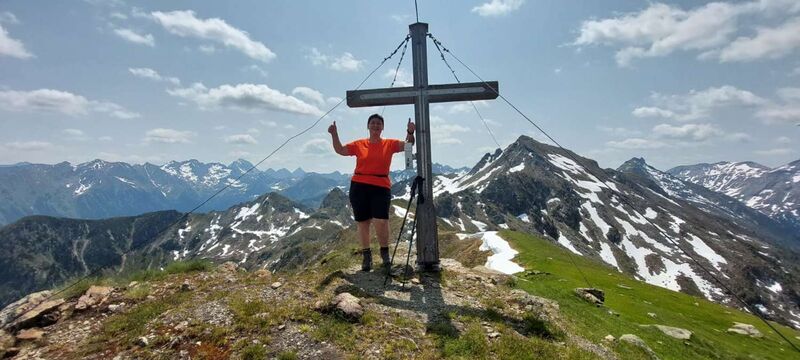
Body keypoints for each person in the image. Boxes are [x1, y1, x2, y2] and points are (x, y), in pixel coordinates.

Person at [328, 113, 415, 271]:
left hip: (381, 186)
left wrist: (410, 132)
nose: (375, 126)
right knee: (363, 223)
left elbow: (408, 145)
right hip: (359, 185)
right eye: (373, 123)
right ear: (368, 126)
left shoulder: (389, 144)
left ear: (382, 128)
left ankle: (385, 255)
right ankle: (367, 257)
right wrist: (334, 134)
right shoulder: (359, 144)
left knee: (381, 221)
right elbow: (340, 150)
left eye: (378, 124)